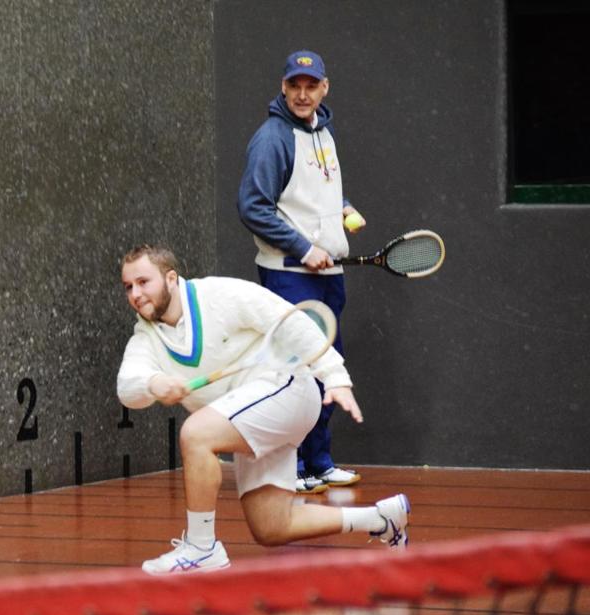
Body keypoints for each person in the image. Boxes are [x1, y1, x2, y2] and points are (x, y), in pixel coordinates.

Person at [116, 244, 410, 574]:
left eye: (143, 282)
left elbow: (289, 322)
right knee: (272, 526)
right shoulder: (146, 336)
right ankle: (380, 519)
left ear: (170, 278)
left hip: (287, 390)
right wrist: (154, 383)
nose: (136, 294)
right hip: (248, 418)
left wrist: (335, 376)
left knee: (196, 434)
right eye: (128, 287)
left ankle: (201, 548)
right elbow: (128, 386)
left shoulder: (220, 294)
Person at [237, 50, 364, 494]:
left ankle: (318, 463)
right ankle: (289, 469)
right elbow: (254, 207)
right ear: (284, 86)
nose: (303, 94)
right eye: (295, 86)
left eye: (312, 86)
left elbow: (307, 195)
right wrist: (303, 246)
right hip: (290, 275)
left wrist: (341, 210)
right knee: (296, 375)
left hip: (328, 277)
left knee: (327, 367)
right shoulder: (272, 138)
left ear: (324, 88)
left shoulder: (322, 133)